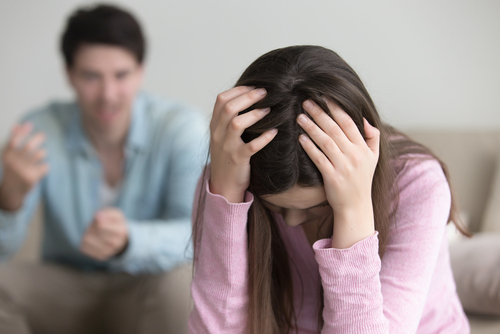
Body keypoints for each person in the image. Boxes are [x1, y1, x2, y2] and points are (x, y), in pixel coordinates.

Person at [188, 45, 470, 333]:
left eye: (316, 207)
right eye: (276, 207)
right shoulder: (228, 179)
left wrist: (353, 209)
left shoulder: (417, 184)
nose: (291, 221)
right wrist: (225, 200)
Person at [0, 4, 206, 334]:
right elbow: (4, 252)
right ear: (69, 74)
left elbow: (198, 236)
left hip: (145, 287)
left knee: (180, 285)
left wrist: (130, 241)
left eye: (121, 75)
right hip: (66, 287)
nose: (108, 95)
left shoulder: (181, 129)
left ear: (141, 71)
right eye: (91, 76)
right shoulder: (38, 130)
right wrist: (9, 198)